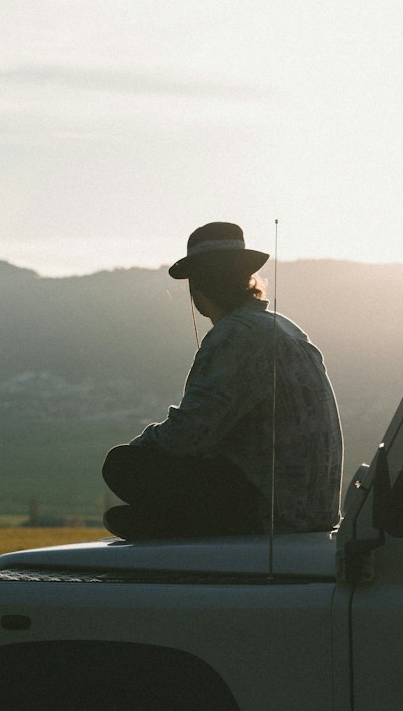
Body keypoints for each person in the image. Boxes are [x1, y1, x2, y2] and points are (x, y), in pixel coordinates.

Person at [102, 221, 343, 539]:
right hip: (313, 512)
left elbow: (188, 434)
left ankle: (178, 525)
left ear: (198, 289)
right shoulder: (285, 329)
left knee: (122, 465)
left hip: (269, 510)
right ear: (247, 279)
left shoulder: (234, 335)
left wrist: (140, 448)